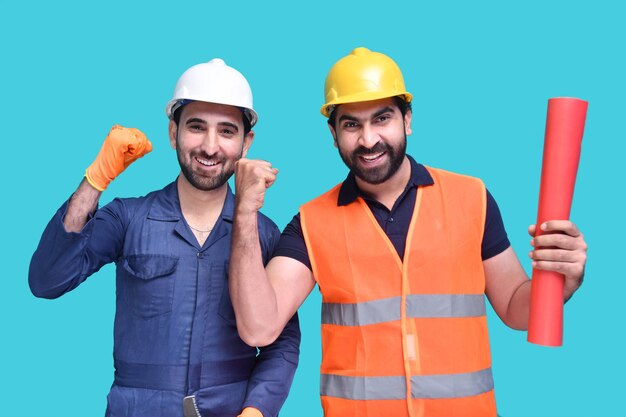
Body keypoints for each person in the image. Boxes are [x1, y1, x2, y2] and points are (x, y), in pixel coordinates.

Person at [228, 48, 588, 417]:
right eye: (351, 124)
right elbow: (259, 328)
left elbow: (516, 308)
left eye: (382, 118)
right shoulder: (311, 222)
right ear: (333, 134)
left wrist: (561, 281)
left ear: (407, 119)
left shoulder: (472, 198)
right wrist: (243, 212)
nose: (368, 140)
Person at [29, 58, 300, 417]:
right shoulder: (128, 218)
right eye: (196, 127)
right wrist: (95, 181)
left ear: (246, 143)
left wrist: (257, 409)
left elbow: (281, 343)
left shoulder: (262, 233)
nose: (209, 146)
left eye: (227, 131)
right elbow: (47, 280)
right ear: (173, 132)